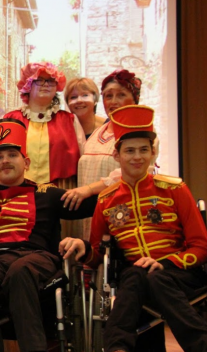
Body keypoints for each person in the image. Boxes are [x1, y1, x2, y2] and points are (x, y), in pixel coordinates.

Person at [67, 105, 207, 352]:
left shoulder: (175, 190)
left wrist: (166, 262)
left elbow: (202, 247)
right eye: (130, 150)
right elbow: (97, 254)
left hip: (180, 274)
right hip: (136, 278)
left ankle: (116, 349)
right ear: (116, 155)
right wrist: (83, 250)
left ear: (152, 153)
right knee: (137, 275)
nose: (137, 157)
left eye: (144, 150)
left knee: (151, 276)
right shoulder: (106, 200)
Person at [0, 118, 97, 352]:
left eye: (12, 155)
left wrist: (97, 186)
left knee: (21, 269)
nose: (5, 161)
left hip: (38, 260)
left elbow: (93, 205)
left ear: (26, 162)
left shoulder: (48, 193)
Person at [61, 69, 160, 241]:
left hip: (123, 215)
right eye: (108, 96)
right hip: (90, 213)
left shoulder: (144, 132)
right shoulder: (98, 132)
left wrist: (88, 190)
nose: (113, 101)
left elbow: (129, 175)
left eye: (121, 95)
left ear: (134, 99)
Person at [3, 62, 85, 190]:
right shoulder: (11, 119)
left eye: (51, 81)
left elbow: (84, 160)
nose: (46, 84)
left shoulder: (70, 120)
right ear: (28, 85)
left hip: (60, 191)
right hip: (18, 192)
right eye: (39, 80)